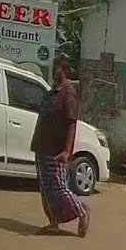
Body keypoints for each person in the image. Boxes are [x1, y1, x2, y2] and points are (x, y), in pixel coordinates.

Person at [30, 56, 90, 237]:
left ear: (63, 71)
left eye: (57, 67)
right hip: (42, 146)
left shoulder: (68, 95)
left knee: (59, 187)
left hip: (57, 150)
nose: (54, 70)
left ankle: (82, 211)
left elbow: (72, 124)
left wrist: (67, 150)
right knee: (46, 188)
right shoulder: (51, 93)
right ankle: (53, 222)